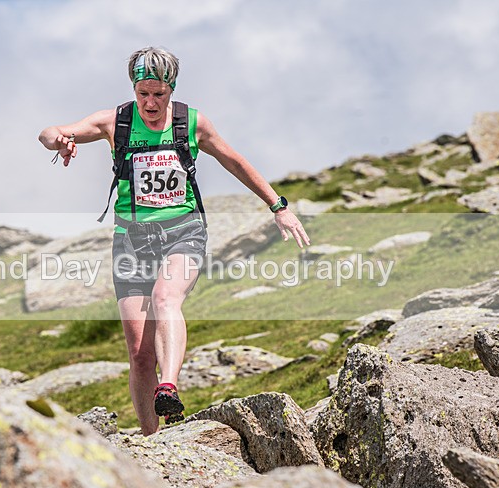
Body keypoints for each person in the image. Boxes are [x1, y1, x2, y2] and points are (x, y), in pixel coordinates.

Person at [39, 46, 310, 435]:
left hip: (184, 232)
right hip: (131, 241)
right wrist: (59, 141)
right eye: (143, 93)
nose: (150, 103)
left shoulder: (191, 123)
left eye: (159, 94)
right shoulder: (114, 122)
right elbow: (51, 132)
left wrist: (278, 206)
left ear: (172, 88)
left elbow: (234, 161)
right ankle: (153, 443)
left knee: (166, 298)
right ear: (133, 88)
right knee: (139, 354)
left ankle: (169, 386)